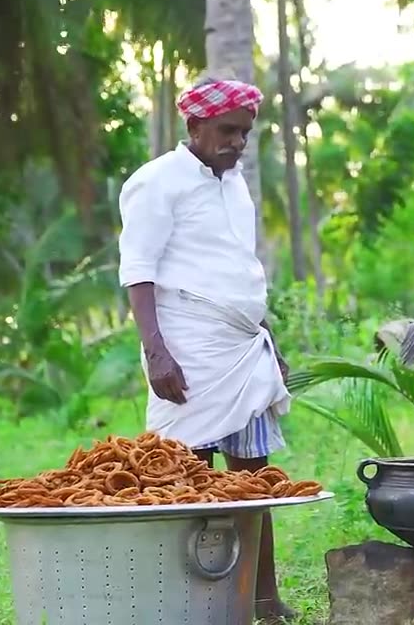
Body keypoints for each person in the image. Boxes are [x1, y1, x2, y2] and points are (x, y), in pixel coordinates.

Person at [117, 73, 297, 623]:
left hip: (243, 353)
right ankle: (188, 602)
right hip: (187, 353)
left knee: (253, 485)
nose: (237, 143)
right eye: (227, 131)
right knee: (184, 483)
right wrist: (156, 353)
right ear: (194, 126)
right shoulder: (156, 182)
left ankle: (263, 600)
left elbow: (240, 269)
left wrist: (271, 339)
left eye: (244, 133)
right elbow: (138, 271)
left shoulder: (235, 182)